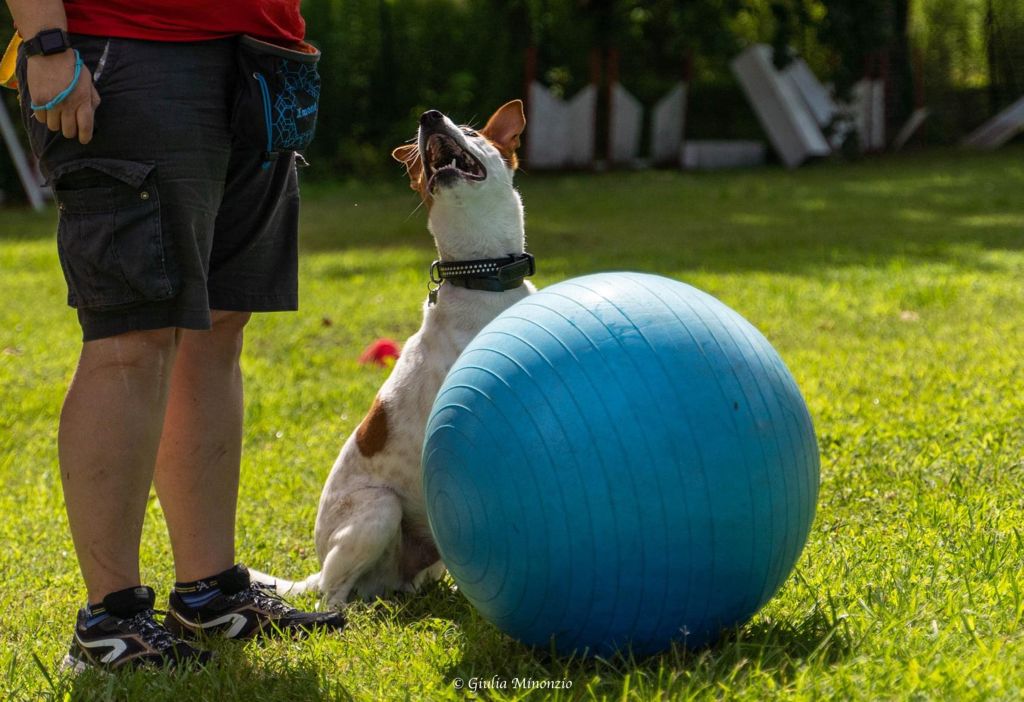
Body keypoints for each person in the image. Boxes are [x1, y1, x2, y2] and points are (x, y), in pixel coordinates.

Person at [3, 0, 344, 671]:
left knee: (219, 324)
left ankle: (209, 596)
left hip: (262, 54)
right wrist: (43, 40)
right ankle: (111, 622)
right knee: (133, 335)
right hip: (130, 49)